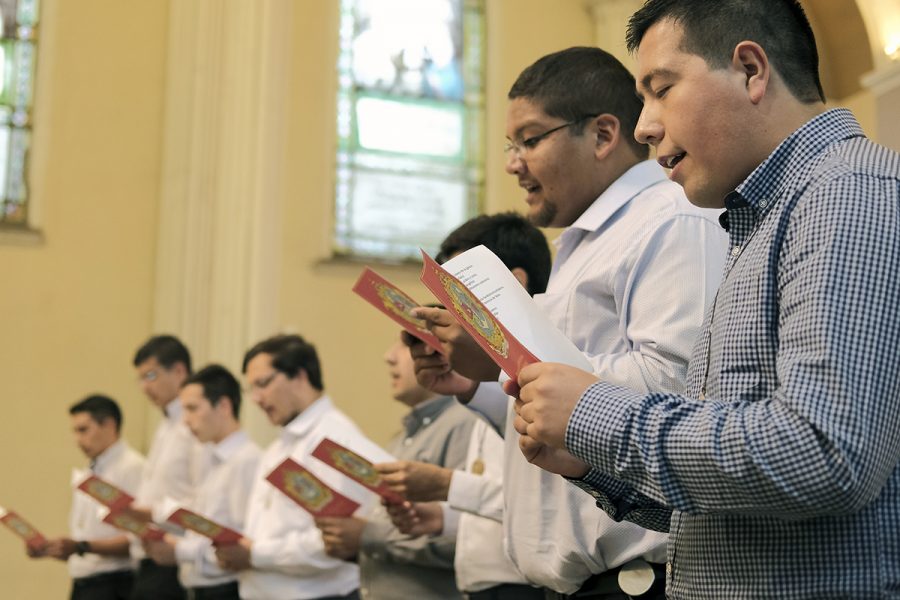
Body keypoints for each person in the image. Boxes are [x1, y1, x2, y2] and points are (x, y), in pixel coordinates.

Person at [510, 1, 900, 598]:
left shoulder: (843, 196)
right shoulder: (760, 223)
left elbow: (826, 455)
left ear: (750, 70)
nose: (644, 125)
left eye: (661, 90)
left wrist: (595, 413)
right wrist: (591, 463)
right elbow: (726, 519)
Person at [409, 47, 729, 599]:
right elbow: (564, 393)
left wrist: (515, 360)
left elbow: (678, 389)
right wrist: (480, 378)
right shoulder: (583, 242)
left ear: (603, 135)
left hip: (637, 578)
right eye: (511, 145)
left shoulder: (671, 219)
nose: (513, 163)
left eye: (529, 140)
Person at [378, 212, 550, 599]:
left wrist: (447, 485)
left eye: (461, 295)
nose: (452, 314)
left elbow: (545, 498)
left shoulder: (546, 368)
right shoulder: (486, 382)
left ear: (513, 283)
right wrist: (444, 518)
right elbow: (503, 511)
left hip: (524, 587)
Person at [315, 333, 478, 600]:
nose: (388, 356)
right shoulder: (400, 439)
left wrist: (367, 535)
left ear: (440, 353)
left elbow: (471, 534)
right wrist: (351, 542)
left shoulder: (465, 424)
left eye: (405, 345)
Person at [214, 334, 372, 600]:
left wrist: (255, 554)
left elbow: (336, 541)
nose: (255, 398)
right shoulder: (279, 446)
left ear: (299, 376)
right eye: (250, 388)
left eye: (262, 384)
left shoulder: (335, 439)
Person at [143, 364, 261, 600]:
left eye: (193, 409)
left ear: (224, 406)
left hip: (226, 589)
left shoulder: (247, 461)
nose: (186, 421)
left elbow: (241, 542)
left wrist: (178, 550)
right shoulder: (213, 459)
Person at [26, 395, 145, 600]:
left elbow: (139, 537)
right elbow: (87, 535)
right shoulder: (90, 470)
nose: (78, 440)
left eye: (83, 430)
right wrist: (54, 548)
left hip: (114, 583)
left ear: (109, 425)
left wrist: (81, 546)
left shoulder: (133, 467)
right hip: (85, 583)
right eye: (75, 431)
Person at [130, 335, 209, 600]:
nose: (144, 387)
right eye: (140, 379)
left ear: (179, 371)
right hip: (149, 556)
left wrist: (150, 512)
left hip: (177, 557)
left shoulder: (194, 427)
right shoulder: (165, 426)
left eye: (150, 375)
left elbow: (202, 497)